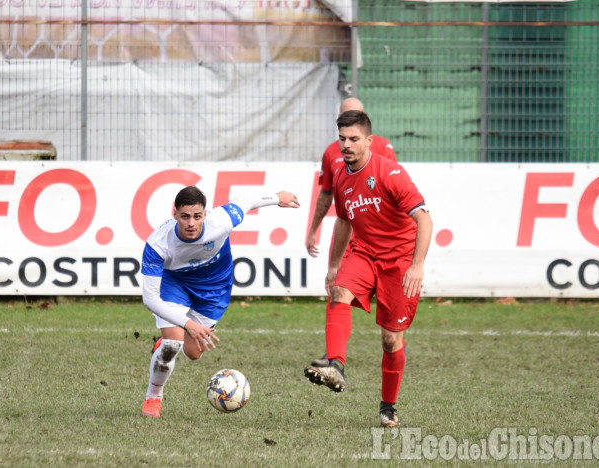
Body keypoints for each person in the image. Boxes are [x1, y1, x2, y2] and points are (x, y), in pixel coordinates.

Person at [303, 110, 432, 428]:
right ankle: (335, 365)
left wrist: (416, 266)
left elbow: (424, 219)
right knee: (339, 293)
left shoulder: (390, 173)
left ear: (369, 141)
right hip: (364, 252)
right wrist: (334, 265)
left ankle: (388, 406)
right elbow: (345, 222)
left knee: (391, 341)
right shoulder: (341, 177)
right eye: (342, 139)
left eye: (353, 139)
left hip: (400, 261)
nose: (346, 145)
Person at [140, 185, 300, 418]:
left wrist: (277, 198)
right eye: (185, 217)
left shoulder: (222, 221)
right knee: (172, 345)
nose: (191, 223)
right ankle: (154, 396)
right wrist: (188, 324)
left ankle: (168, 337)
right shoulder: (157, 244)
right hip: (173, 282)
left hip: (213, 286)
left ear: (205, 214)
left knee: (193, 353)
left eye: (197, 216)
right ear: (174, 214)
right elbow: (150, 299)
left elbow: (247, 199)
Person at [306, 97, 398, 368]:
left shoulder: (382, 147)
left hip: (378, 236)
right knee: (335, 285)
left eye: (354, 119)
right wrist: (313, 229)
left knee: (385, 299)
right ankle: (333, 355)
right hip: (348, 229)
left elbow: (393, 187)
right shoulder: (331, 152)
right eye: (344, 121)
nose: (347, 141)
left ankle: (392, 337)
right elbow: (326, 193)